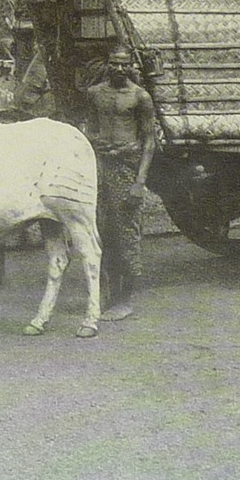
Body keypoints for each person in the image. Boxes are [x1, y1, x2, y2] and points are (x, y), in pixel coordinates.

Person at [83, 45, 156, 321]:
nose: (119, 69)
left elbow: (149, 140)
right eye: (114, 63)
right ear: (107, 63)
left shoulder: (140, 97)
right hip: (100, 166)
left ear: (131, 66)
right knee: (100, 231)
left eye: (124, 64)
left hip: (127, 168)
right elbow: (88, 127)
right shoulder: (95, 94)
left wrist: (140, 181)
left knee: (127, 233)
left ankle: (125, 299)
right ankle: (106, 294)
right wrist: (93, 141)